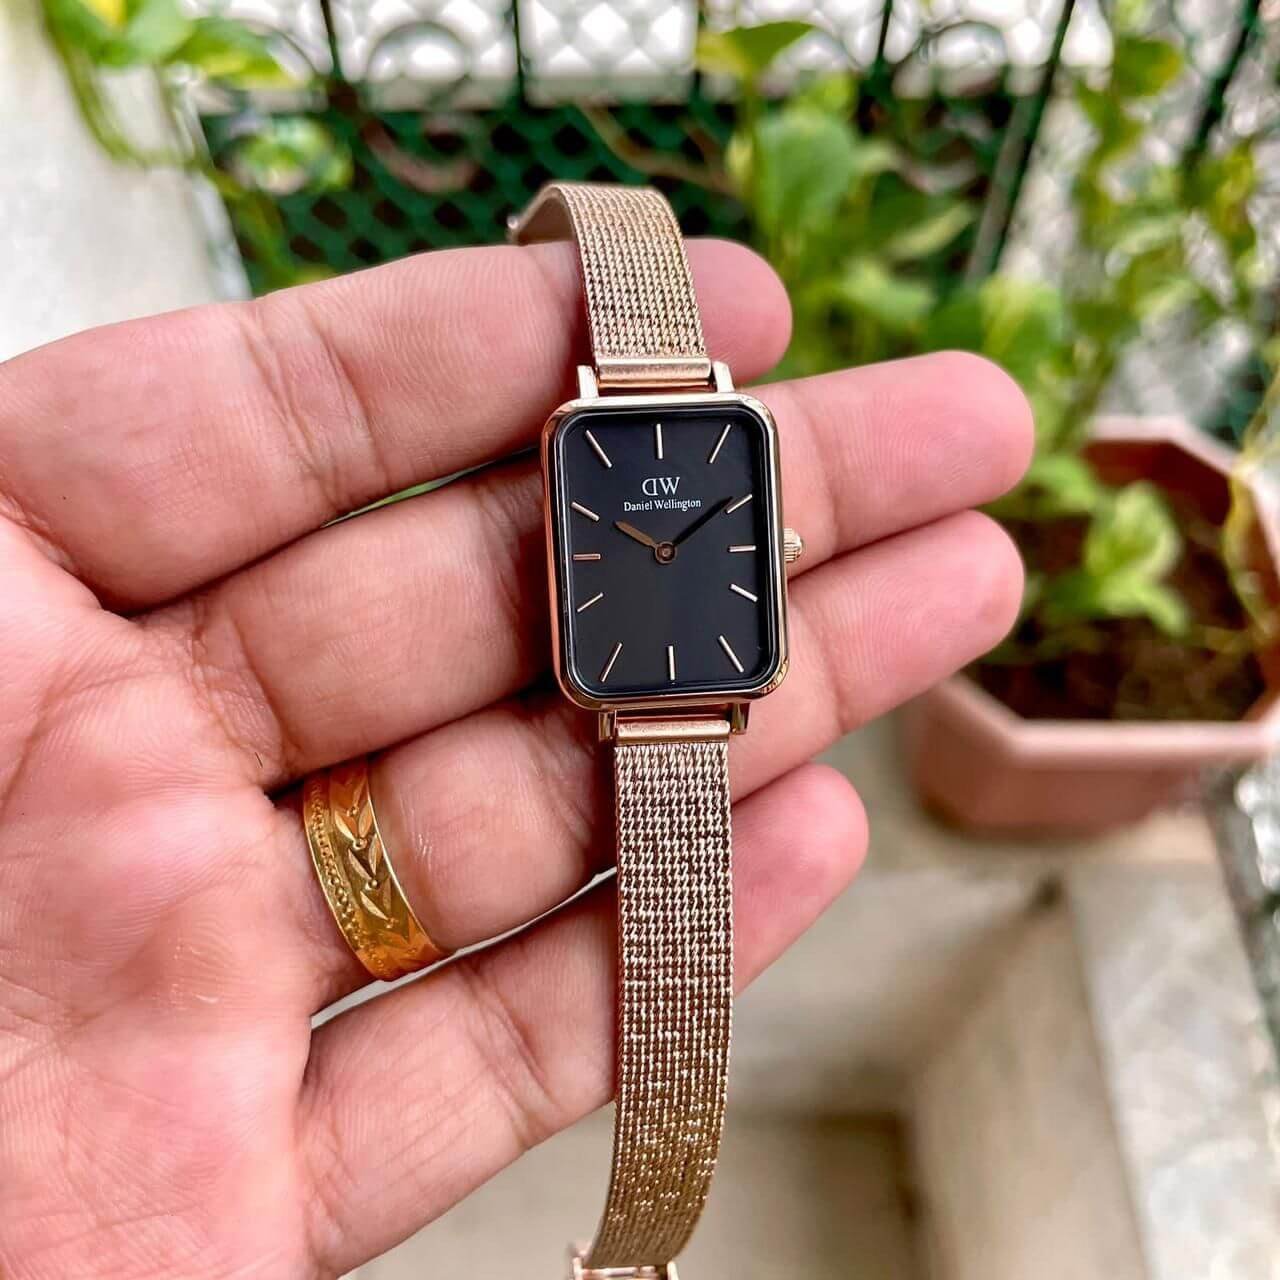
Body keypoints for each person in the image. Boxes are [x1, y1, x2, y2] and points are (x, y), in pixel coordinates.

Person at [0, 236, 1030, 1278]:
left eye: (699, 537)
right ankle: (641, 1248)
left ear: (775, 551)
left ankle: (641, 1247)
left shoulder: (704, 483)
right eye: (646, 543)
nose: (661, 546)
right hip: (643, 695)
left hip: (690, 690)